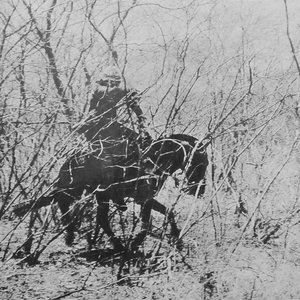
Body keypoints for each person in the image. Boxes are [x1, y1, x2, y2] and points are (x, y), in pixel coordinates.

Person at [77, 65, 151, 209]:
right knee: (108, 156)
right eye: (109, 81)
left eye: (113, 82)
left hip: (108, 126)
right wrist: (139, 114)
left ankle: (132, 178)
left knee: (135, 142)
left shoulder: (101, 90)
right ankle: (115, 190)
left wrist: (140, 117)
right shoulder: (111, 90)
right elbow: (132, 101)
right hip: (101, 128)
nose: (111, 84)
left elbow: (132, 102)